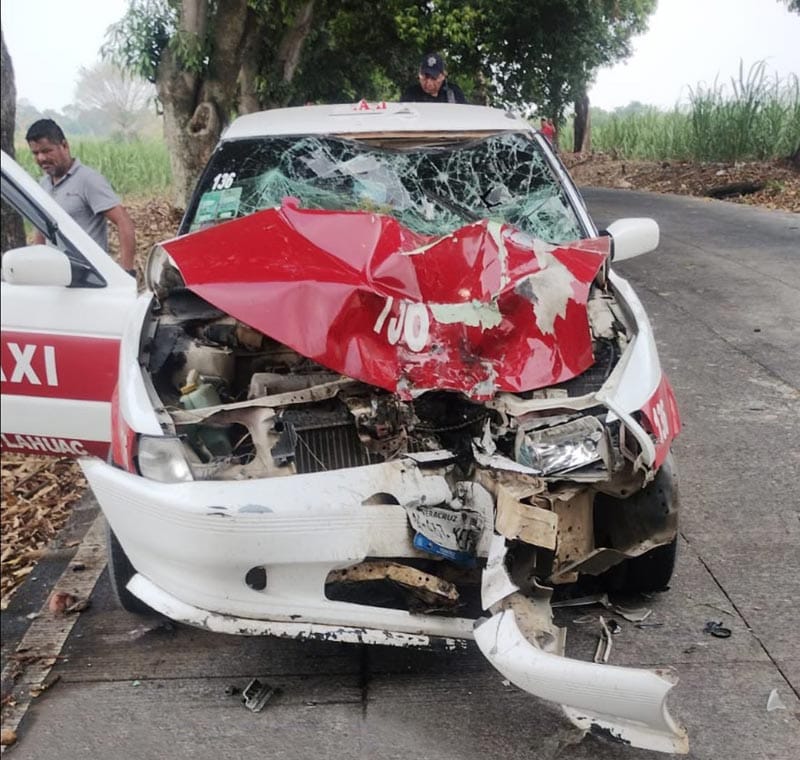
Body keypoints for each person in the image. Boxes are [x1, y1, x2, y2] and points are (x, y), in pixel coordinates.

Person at [25, 119, 136, 275]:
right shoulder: (43, 184)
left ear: (64, 145)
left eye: (47, 151)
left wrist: (127, 271)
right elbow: (41, 231)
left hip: (89, 279)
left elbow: (123, 221)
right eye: (36, 153)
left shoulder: (88, 180)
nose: (41, 158)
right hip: (55, 277)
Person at [401, 52, 467, 104]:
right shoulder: (411, 94)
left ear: (443, 76)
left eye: (434, 78)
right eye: (425, 77)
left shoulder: (454, 93)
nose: (428, 82)